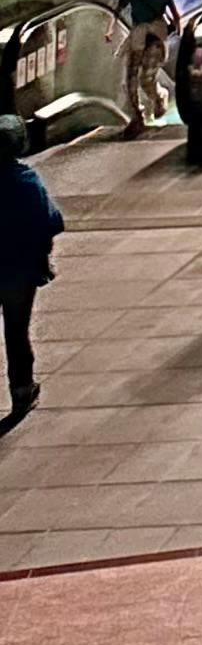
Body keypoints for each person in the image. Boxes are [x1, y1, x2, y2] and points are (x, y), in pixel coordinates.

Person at [0, 114, 65, 429]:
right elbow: (50, 222)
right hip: (19, 273)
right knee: (16, 331)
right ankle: (22, 390)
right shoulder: (27, 181)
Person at [113, 0, 180, 135]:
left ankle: (159, 96)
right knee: (130, 79)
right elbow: (117, 12)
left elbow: (175, 14)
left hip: (156, 38)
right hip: (137, 36)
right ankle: (138, 116)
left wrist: (179, 31)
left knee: (145, 79)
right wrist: (110, 30)